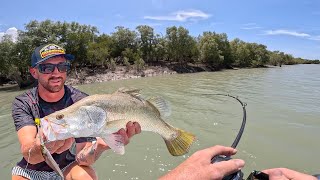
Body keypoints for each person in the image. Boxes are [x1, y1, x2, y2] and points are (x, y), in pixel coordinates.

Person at [11, 43, 142, 180]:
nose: (56, 73)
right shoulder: (23, 103)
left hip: (68, 166)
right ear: (34, 72)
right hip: (30, 170)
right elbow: (29, 155)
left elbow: (83, 159)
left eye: (62, 66)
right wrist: (45, 147)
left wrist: (100, 146)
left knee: (85, 176)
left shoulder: (83, 102)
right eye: (47, 68)